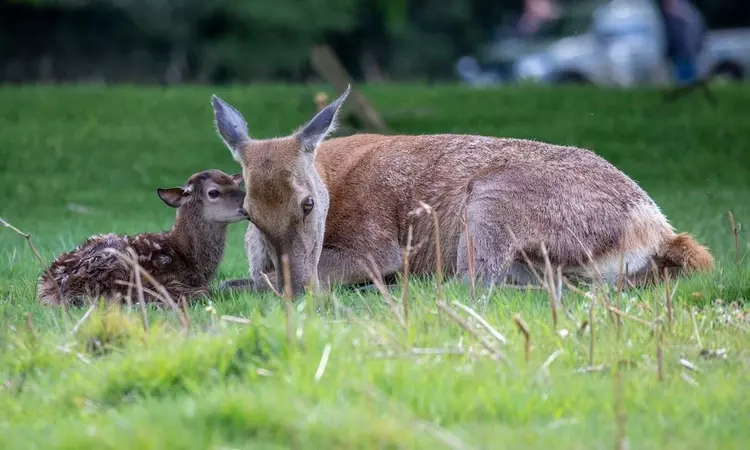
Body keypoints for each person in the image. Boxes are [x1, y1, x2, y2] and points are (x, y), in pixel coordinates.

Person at [657, 0, 707, 84]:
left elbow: (688, 36)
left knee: (685, 79)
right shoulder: (687, 12)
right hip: (680, 54)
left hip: (684, 53)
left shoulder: (680, 17)